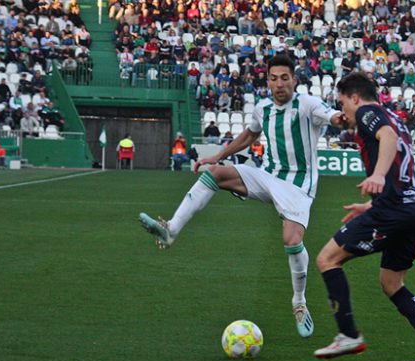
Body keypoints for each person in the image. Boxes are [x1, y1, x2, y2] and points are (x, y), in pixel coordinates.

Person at [139, 55, 345, 338]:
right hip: (267, 175)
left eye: (285, 78)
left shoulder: (307, 104)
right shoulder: (263, 108)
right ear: (268, 81)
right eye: (274, 78)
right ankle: (170, 229)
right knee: (214, 172)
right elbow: (249, 136)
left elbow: (332, 116)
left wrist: (343, 117)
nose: (279, 83)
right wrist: (218, 155)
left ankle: (299, 302)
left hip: (298, 185)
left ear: (294, 80)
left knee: (291, 240)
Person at [313, 72, 415, 361]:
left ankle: (348, 334)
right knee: (392, 282)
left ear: (354, 97)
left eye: (342, 103)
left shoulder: (366, 112)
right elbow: (398, 160)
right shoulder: (393, 116)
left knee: (327, 259)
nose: (343, 113)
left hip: (394, 212)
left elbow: (387, 139)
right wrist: (370, 205)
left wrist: (377, 175)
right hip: (414, 209)